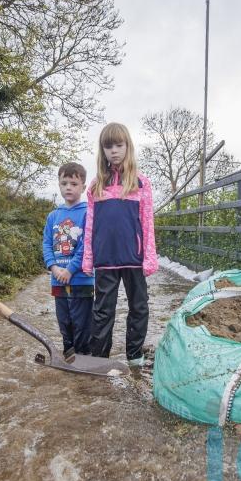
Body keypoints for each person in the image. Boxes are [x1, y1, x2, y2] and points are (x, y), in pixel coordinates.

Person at [82, 122, 157, 366]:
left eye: (118, 145)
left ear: (127, 147)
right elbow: (91, 224)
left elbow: (147, 223)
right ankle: (99, 359)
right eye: (108, 146)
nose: (113, 150)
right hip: (105, 259)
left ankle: (134, 356)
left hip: (133, 258)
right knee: (103, 310)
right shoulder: (96, 186)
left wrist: (149, 257)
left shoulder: (141, 183)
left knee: (139, 307)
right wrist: (88, 257)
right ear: (102, 150)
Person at [42, 163, 95, 356]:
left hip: (82, 279)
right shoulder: (53, 216)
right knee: (64, 322)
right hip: (58, 279)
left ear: (83, 186)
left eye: (73, 183)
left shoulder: (88, 213)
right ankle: (68, 355)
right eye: (64, 183)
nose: (68, 187)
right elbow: (47, 244)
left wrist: (71, 269)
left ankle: (83, 358)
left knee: (82, 323)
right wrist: (53, 267)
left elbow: (87, 245)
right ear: (59, 184)